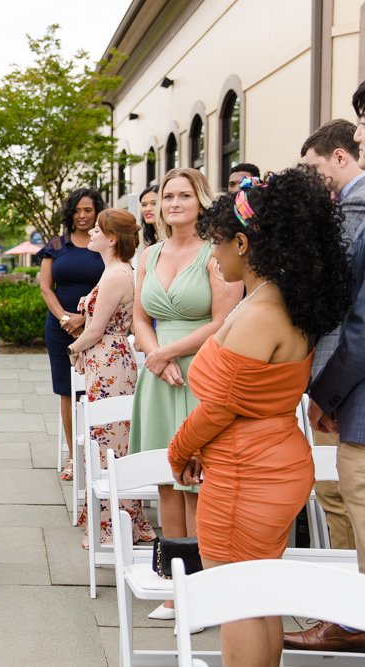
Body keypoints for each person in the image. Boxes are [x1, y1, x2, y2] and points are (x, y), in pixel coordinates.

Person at [169, 167, 353, 665]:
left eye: (218, 243)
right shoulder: (286, 303)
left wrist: (179, 449)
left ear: (244, 244)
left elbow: (223, 406)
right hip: (273, 463)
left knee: (237, 599)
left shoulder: (260, 313)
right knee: (259, 595)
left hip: (247, 471)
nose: (214, 254)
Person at [128, 167, 242, 621]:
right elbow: (139, 317)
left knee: (197, 482)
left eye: (183, 196)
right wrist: (156, 355)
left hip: (202, 369)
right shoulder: (148, 255)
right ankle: (174, 588)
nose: (173, 204)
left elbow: (224, 319)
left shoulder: (217, 253)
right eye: (167, 197)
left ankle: (203, 591)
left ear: (201, 200)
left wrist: (168, 353)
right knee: (165, 481)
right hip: (158, 376)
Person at [296, 80, 365, 653]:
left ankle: (351, 620)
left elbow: (357, 323)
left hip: (353, 395)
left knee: (353, 506)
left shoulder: (357, 210)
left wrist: (325, 391)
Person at [67, 209, 156, 548]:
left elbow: (95, 329)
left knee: (108, 441)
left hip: (109, 363)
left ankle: (113, 526)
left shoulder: (117, 275)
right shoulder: (115, 272)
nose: (90, 233)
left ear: (112, 238)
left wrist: (72, 351)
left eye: (97, 230)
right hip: (105, 361)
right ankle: (115, 519)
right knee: (107, 439)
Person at [38, 188, 106, 480]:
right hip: (60, 327)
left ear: (97, 212)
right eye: (77, 210)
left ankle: (100, 456)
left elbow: (114, 282)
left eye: (88, 210)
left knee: (96, 390)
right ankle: (74, 458)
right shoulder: (56, 244)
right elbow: (45, 287)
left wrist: (86, 319)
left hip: (97, 326)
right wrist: (65, 317)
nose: (82, 216)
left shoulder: (105, 243)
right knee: (67, 391)